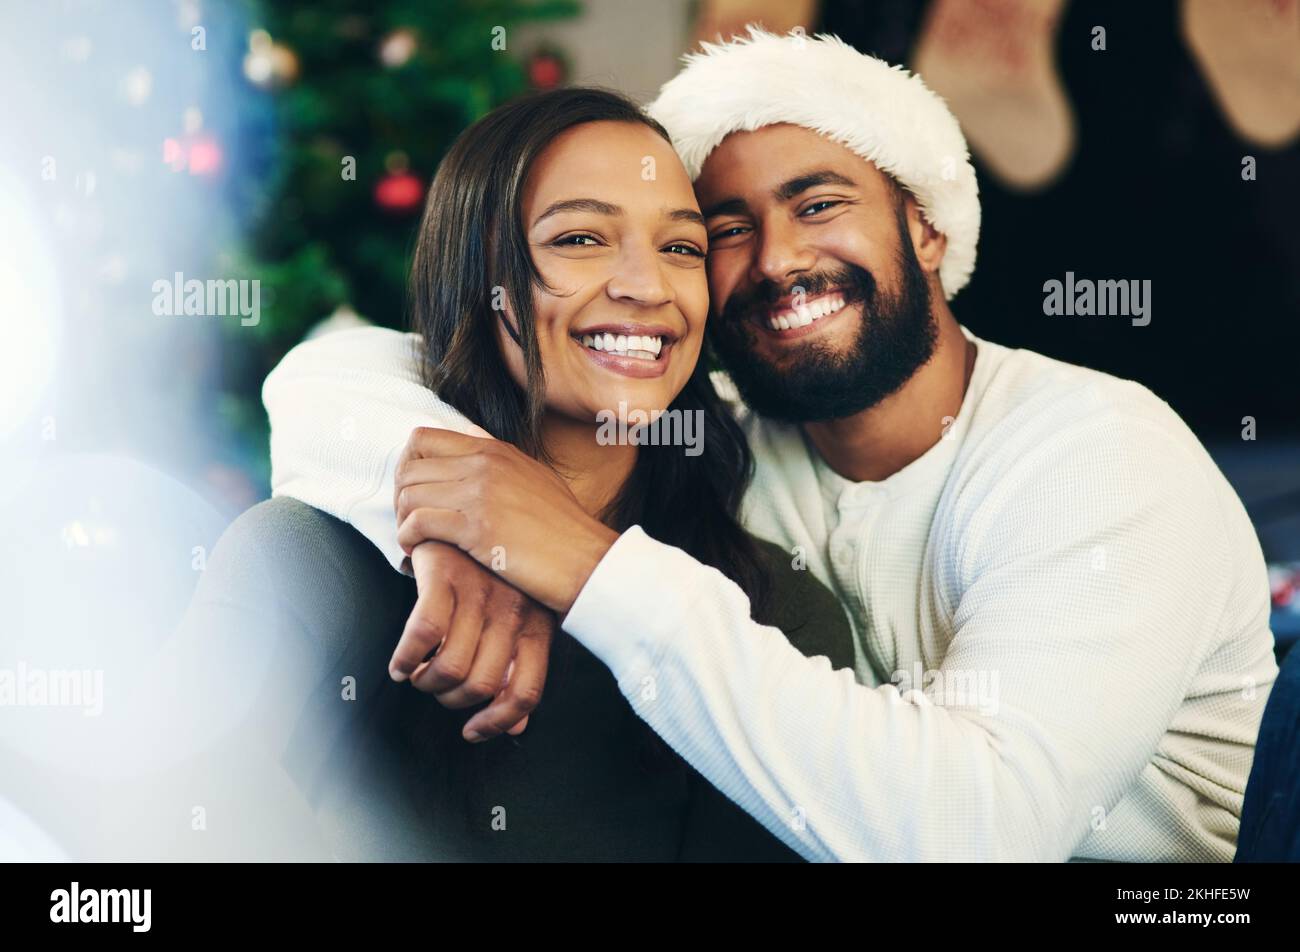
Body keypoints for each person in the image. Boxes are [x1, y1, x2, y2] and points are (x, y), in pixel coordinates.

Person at [265, 29, 1278, 862]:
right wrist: (453, 525)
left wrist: (577, 558)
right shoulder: (727, 431)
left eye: (820, 203)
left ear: (925, 229)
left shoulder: (1093, 456)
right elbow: (333, 376)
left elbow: (977, 832)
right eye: (725, 229)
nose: (780, 260)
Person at [195, 85, 856, 862]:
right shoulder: (305, 557)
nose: (646, 286)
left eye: (682, 248)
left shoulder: (775, 612)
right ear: (479, 277)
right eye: (580, 239)